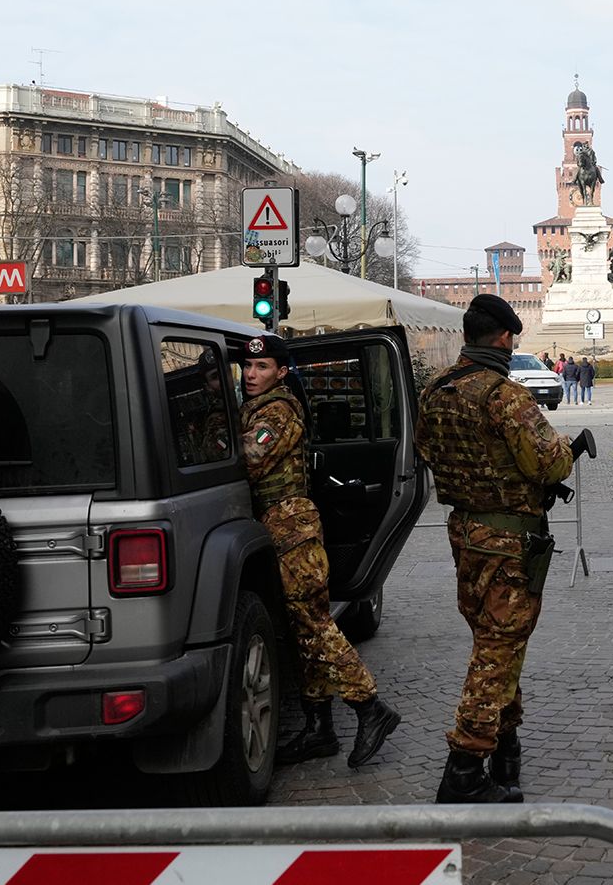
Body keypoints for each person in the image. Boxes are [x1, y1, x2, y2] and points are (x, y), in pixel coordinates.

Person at [415, 293, 593, 804]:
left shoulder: (436, 391)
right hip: (510, 539)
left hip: (465, 534)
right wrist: (564, 451)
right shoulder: (504, 397)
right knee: (497, 648)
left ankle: (504, 744)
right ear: (506, 339)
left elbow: (427, 450)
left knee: (497, 639)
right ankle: (466, 766)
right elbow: (550, 464)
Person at [236, 334, 399, 769]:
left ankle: (370, 708)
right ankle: (318, 726)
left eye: (262, 367)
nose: (252, 375)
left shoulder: (279, 411)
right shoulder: (255, 408)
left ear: (281, 372)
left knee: (315, 626)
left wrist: (214, 439)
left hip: (293, 532)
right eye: (248, 368)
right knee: (301, 630)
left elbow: (250, 457)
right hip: (278, 529)